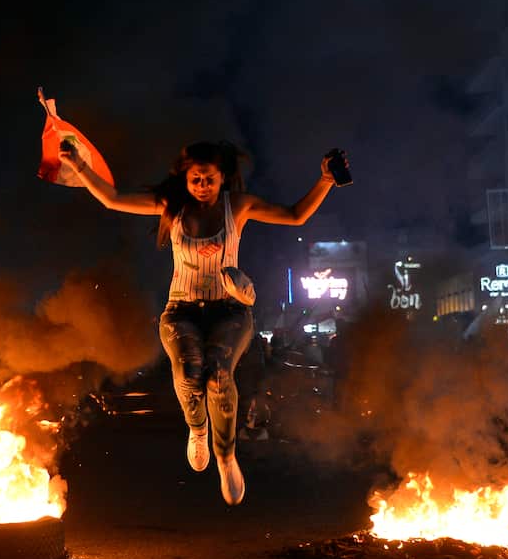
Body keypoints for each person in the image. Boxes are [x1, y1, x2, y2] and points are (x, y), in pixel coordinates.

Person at [59, 139, 348, 505]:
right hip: (181, 310)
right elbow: (113, 199)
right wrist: (79, 166)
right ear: (185, 179)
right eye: (195, 179)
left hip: (230, 310)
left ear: (222, 177)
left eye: (209, 179)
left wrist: (325, 180)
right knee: (189, 372)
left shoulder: (237, 207)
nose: (202, 186)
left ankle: (226, 457)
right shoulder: (171, 208)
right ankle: (198, 429)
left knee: (218, 375)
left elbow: (295, 216)